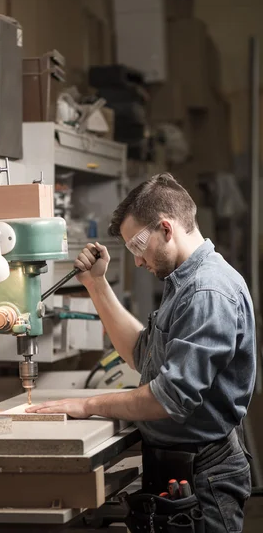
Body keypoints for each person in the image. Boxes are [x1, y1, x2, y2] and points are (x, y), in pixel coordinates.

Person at [26, 173, 256, 532]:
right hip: (177, 467)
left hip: (204, 475)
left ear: (166, 228)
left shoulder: (207, 292)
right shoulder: (183, 283)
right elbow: (141, 353)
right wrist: (96, 284)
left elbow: (167, 400)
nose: (136, 261)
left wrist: (89, 405)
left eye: (137, 246)